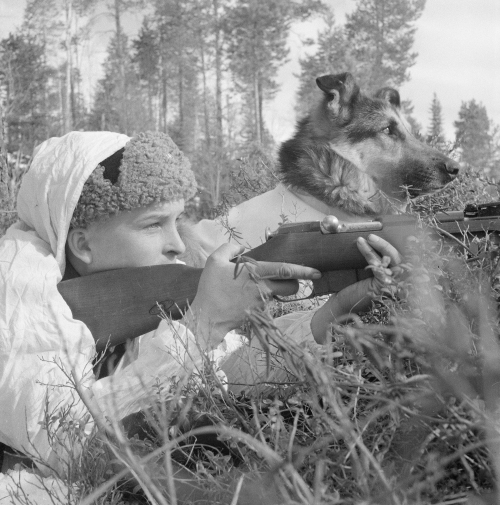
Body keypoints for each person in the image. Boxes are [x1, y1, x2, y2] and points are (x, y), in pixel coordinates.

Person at [0, 131, 401, 477]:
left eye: (178, 219)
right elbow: (62, 442)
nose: (176, 243)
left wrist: (332, 315)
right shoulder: (18, 286)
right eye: (154, 223)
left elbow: (228, 372)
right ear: (83, 243)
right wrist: (204, 324)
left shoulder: (152, 282)